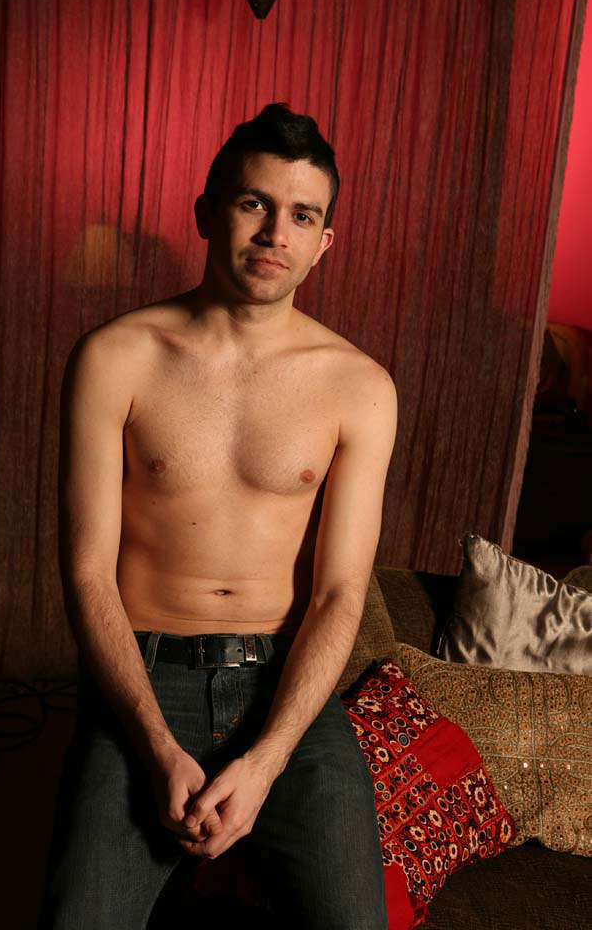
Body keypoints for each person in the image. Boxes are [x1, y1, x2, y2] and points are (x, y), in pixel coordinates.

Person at [38, 103, 396, 930]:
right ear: (206, 213)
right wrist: (153, 743)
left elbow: (339, 593)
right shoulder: (115, 357)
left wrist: (267, 762)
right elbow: (87, 571)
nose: (274, 233)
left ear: (323, 241)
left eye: (300, 215)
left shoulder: (359, 387)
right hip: (143, 680)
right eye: (252, 203)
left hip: (286, 691)